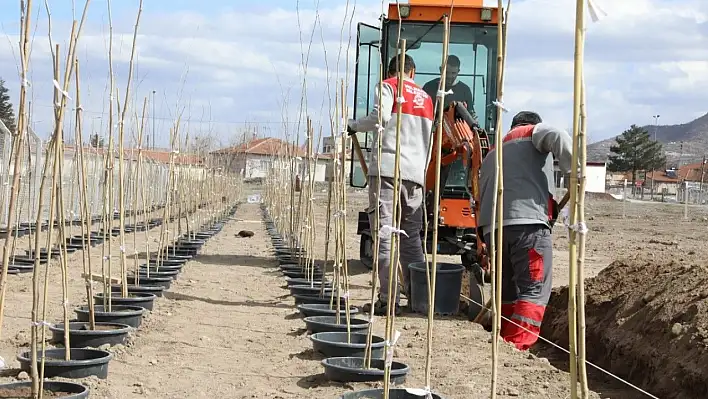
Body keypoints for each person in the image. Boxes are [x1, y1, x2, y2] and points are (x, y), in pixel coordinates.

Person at [477, 111, 573, 350]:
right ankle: (517, 346)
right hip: (527, 226)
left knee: (508, 292)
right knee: (534, 290)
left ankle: (503, 342)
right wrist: (575, 174)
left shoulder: (494, 149)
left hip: (493, 230)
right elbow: (558, 135)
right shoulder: (531, 132)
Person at [347, 54, 434, 316]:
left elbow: (378, 118)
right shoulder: (426, 99)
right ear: (413, 72)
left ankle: (389, 299)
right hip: (416, 175)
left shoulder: (388, 86)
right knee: (411, 240)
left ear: (391, 70)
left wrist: (354, 125)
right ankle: (421, 298)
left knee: (385, 234)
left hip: (388, 170)